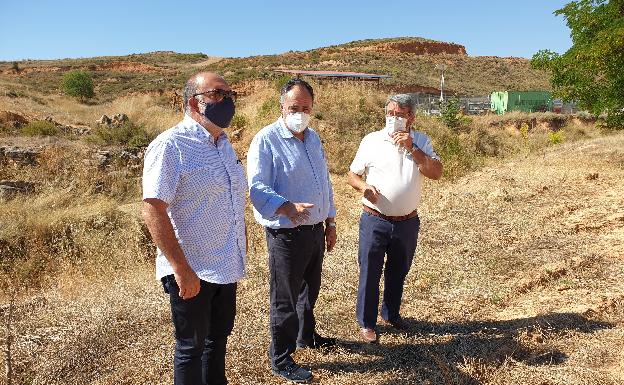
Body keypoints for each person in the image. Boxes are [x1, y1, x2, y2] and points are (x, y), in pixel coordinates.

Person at [142, 72, 246, 385]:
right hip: (192, 269)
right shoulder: (171, 145)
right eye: (217, 94)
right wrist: (180, 267)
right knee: (191, 347)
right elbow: (153, 208)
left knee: (217, 342)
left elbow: (231, 199)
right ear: (194, 102)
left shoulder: (224, 144)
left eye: (229, 95)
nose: (226, 101)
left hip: (226, 263)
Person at [247, 78, 337, 384]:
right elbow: (257, 188)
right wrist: (286, 206)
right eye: (293, 107)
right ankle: (281, 359)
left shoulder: (313, 138)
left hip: (314, 232)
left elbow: (325, 182)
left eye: (305, 107)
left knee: (309, 291)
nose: (299, 112)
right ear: (281, 107)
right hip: (286, 235)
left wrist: (331, 221)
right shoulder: (266, 139)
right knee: (284, 299)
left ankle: (306, 336)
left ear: (313, 108)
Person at [347, 94, 442, 343]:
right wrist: (363, 187)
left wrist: (412, 148)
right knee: (369, 272)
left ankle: (391, 314)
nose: (394, 118)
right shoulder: (371, 141)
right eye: (390, 113)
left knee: (398, 271)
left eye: (399, 114)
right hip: (375, 219)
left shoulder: (421, 141)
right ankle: (367, 323)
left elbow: (436, 172)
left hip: (407, 222)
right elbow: (352, 175)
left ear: (411, 117)